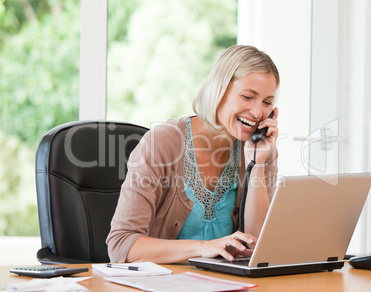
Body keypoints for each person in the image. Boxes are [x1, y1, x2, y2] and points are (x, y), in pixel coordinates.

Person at [107, 45, 280, 264]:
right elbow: (121, 245)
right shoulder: (162, 143)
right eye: (247, 97)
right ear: (219, 89)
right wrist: (203, 248)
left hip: (228, 290)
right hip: (162, 289)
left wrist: (257, 164)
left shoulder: (260, 151)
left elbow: (258, 246)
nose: (257, 113)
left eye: (267, 102)